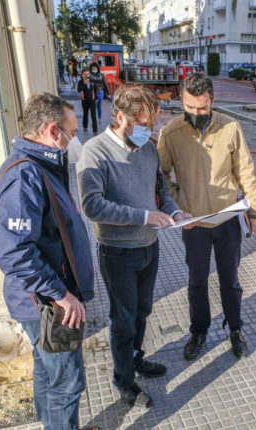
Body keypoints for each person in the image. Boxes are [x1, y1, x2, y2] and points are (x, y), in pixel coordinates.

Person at [0, 92, 100, 430]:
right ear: (52, 131)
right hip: (49, 305)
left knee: (47, 372)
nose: (75, 139)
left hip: (46, 301)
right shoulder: (25, 176)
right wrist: (62, 295)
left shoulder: (42, 165)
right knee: (67, 381)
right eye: (71, 131)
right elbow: (14, 252)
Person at [77, 85, 195, 407]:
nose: (150, 131)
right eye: (144, 125)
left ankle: (136, 358)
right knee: (124, 320)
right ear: (121, 118)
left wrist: (174, 211)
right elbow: (92, 206)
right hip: (117, 252)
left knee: (143, 312)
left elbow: (161, 193)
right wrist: (144, 216)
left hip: (149, 248)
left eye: (152, 124)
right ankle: (124, 380)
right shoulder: (95, 152)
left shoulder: (149, 150)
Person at [158, 74, 256, 361]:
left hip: (228, 220)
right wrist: (178, 205)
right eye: (189, 107)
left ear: (212, 102)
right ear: (182, 100)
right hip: (194, 224)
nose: (195, 114)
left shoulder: (231, 128)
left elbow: (246, 172)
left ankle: (235, 329)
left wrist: (253, 209)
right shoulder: (171, 133)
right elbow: (161, 175)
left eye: (202, 108)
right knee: (197, 281)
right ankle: (199, 331)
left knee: (230, 279)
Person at [77, 68, 98, 135]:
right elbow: (79, 90)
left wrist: (96, 98)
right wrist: (85, 84)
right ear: (82, 75)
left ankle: (95, 130)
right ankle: (85, 126)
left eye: (88, 74)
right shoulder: (80, 82)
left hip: (92, 100)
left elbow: (95, 90)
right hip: (85, 101)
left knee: (93, 115)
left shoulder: (92, 81)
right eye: (85, 74)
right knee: (85, 115)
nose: (86, 75)